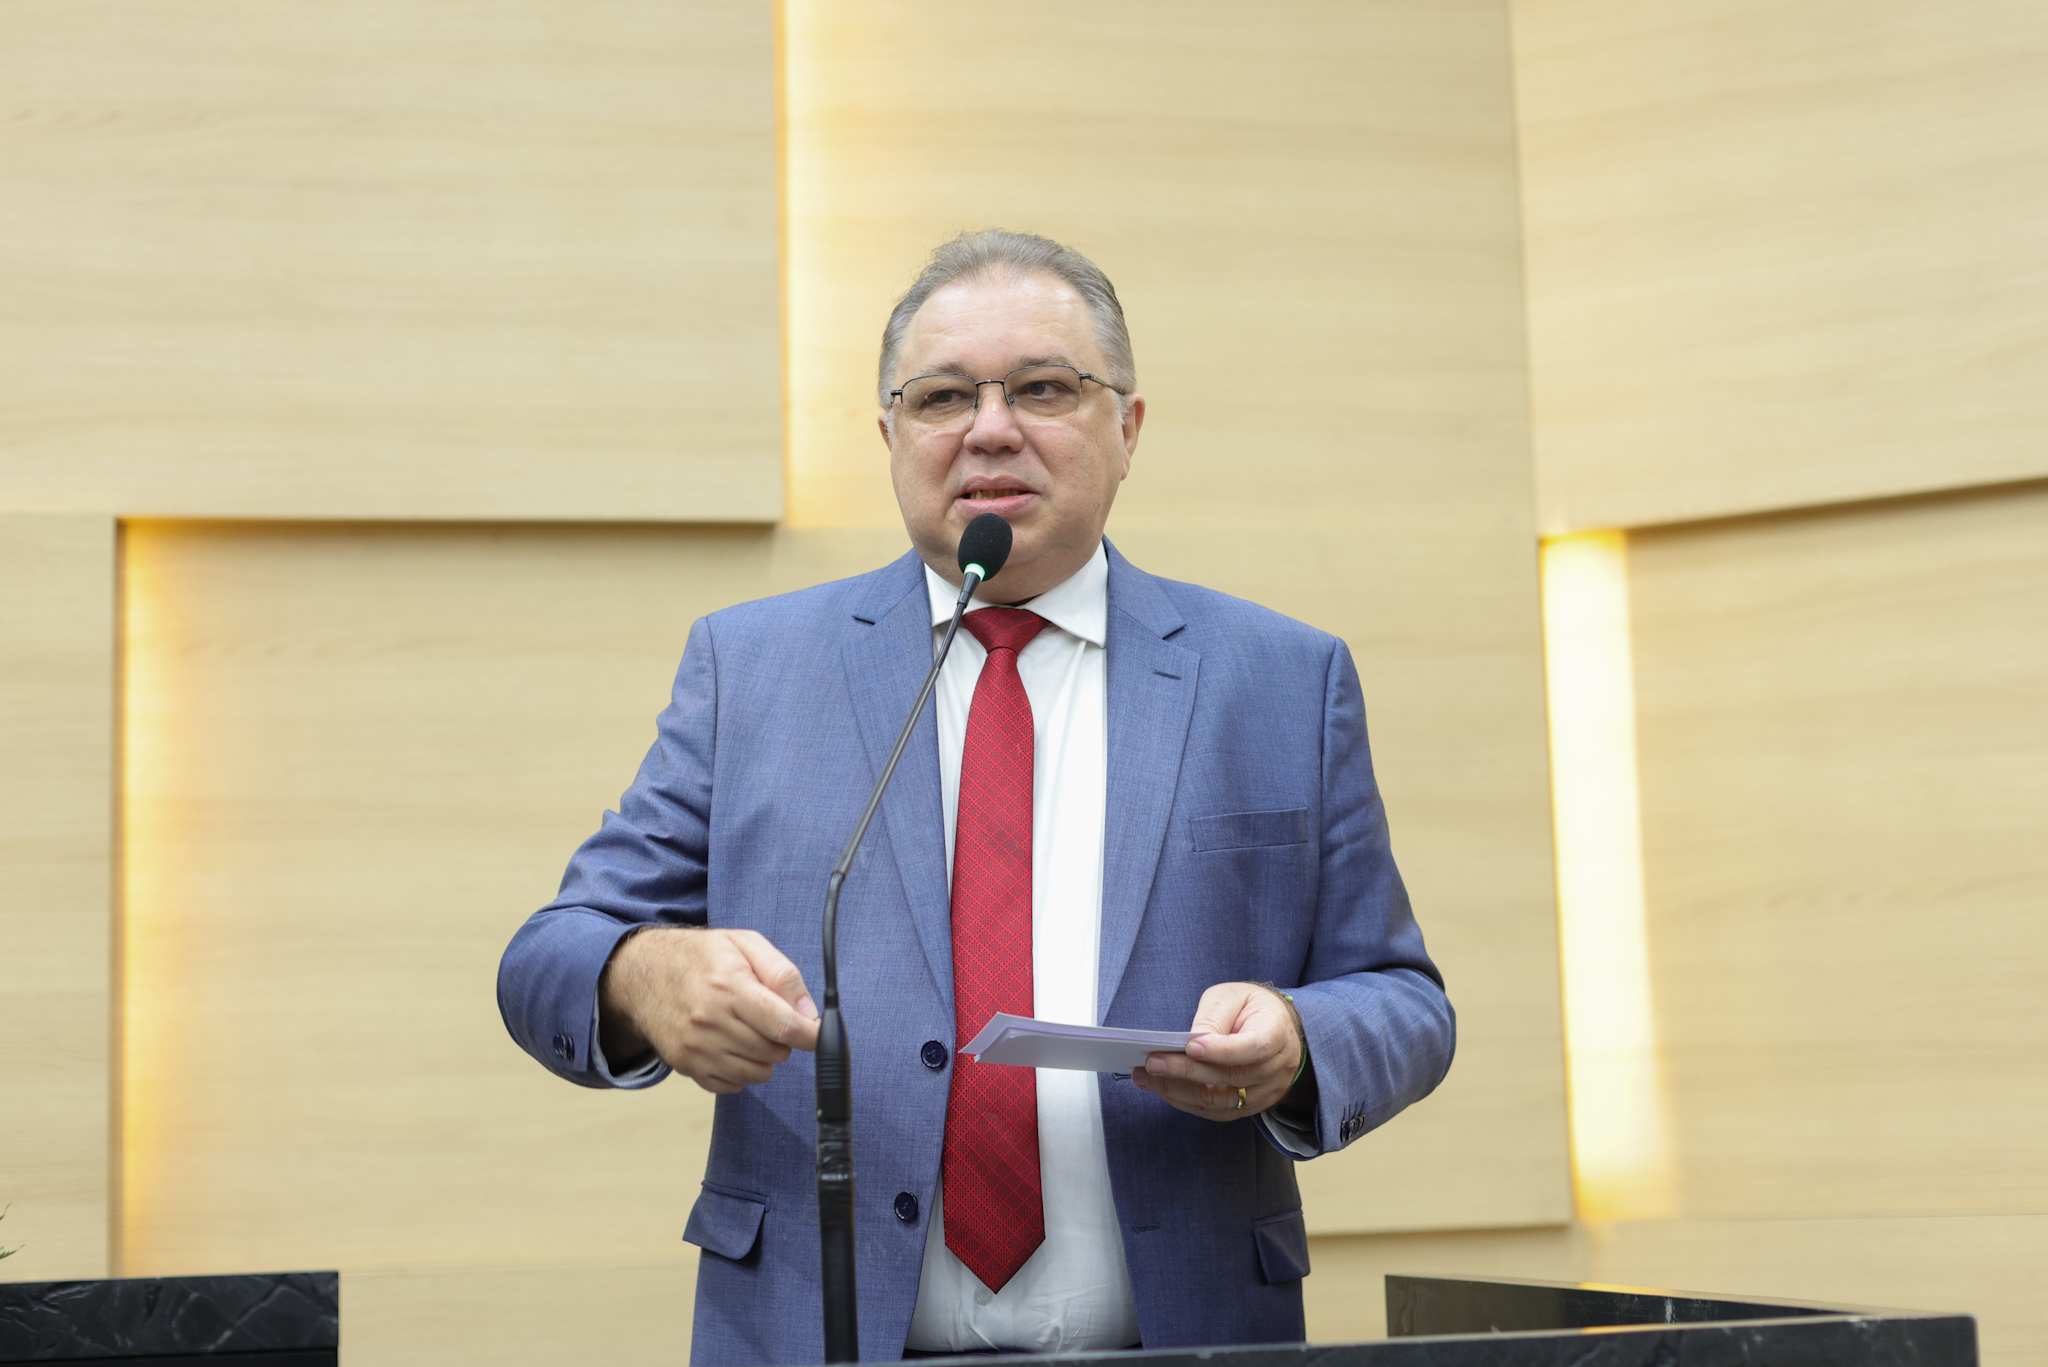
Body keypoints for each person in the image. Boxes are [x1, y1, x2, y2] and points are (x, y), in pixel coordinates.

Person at [497, 230, 1454, 1365]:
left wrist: (1300, 1038)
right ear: (891, 436)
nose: (989, 427)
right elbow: (547, 956)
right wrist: (642, 975)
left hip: (1182, 1333)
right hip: (823, 1335)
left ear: (1128, 426)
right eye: (943, 395)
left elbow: (1403, 999)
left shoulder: (1277, 678)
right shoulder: (752, 669)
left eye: (1043, 387)